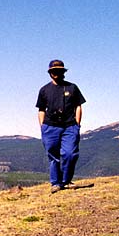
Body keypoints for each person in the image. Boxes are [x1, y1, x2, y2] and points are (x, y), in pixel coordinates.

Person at [36, 59, 86, 193]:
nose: (55, 73)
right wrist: (43, 127)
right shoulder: (44, 90)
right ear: (49, 73)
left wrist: (77, 124)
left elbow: (78, 106)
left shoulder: (72, 87)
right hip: (50, 127)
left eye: (58, 70)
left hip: (70, 126)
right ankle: (56, 183)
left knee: (70, 154)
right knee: (53, 155)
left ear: (63, 72)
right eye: (53, 71)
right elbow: (41, 110)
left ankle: (66, 181)